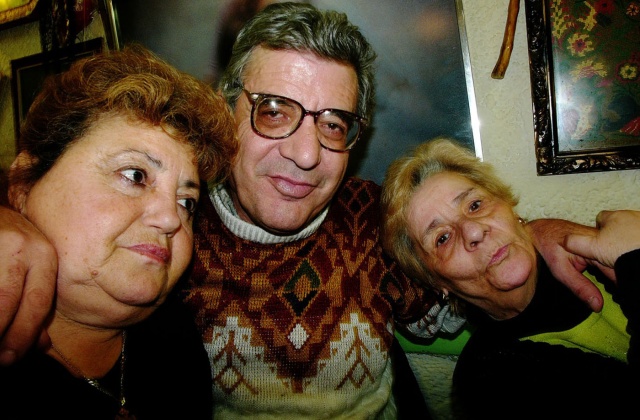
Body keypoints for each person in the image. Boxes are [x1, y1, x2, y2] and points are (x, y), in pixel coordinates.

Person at [0, 2, 606, 418]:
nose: (306, 153)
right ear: (226, 111)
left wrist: (536, 234)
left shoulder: (374, 220)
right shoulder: (173, 238)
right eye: (273, 111)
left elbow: (465, 279)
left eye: (333, 123)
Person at [0, 45, 237, 419]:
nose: (171, 219)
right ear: (23, 186)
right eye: (135, 175)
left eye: (186, 202)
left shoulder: (178, 342)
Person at [380, 137, 638, 418]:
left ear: (509, 208)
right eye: (442, 238)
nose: (474, 231)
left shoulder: (596, 251)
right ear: (436, 282)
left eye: (475, 205)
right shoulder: (489, 379)